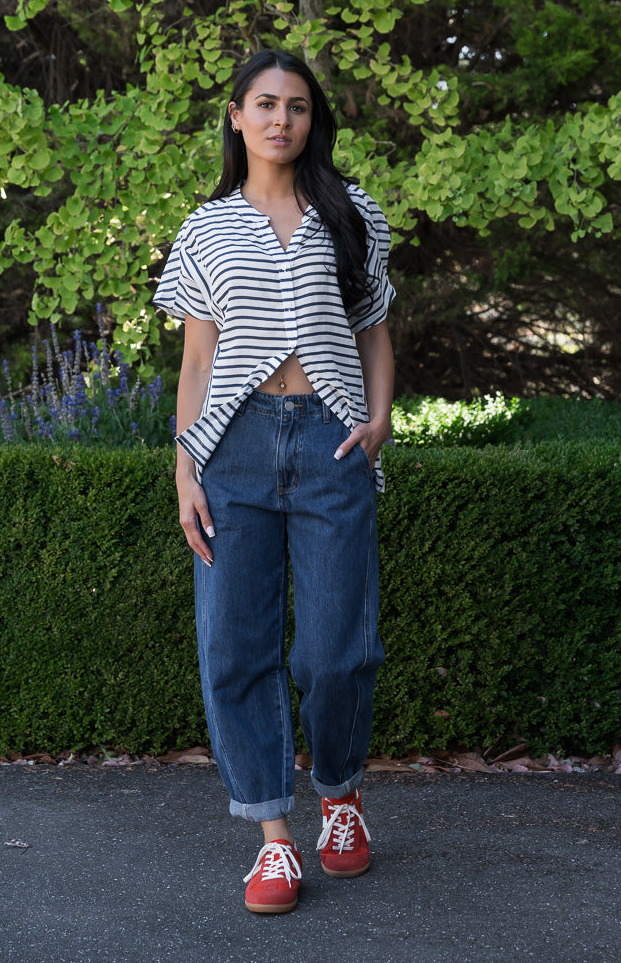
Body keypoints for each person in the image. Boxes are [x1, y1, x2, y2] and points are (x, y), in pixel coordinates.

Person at [154, 49, 395, 914]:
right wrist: (185, 466)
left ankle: (340, 797)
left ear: (310, 119)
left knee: (339, 650)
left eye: (296, 107)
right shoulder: (207, 227)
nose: (281, 120)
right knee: (234, 649)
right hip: (234, 450)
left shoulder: (350, 210)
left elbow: (373, 334)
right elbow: (195, 361)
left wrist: (380, 422)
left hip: (334, 445)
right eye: (265, 104)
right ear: (235, 115)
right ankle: (274, 839)